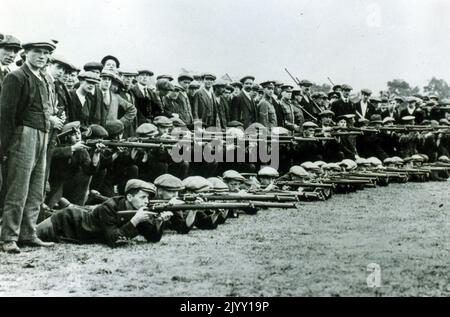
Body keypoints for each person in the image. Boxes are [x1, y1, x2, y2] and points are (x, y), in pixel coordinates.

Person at [0, 39, 57, 253]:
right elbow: (6, 116)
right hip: (24, 135)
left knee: (36, 188)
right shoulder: (16, 77)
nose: (42, 57)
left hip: (42, 133)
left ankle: (28, 233)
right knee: (18, 188)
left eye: (45, 53)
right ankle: (8, 237)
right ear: (26, 53)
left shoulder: (44, 78)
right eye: (37, 52)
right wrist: (4, 147)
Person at [37, 179, 172, 247]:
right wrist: (135, 221)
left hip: (81, 233)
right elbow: (113, 240)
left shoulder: (136, 211)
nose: (146, 201)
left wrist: (159, 222)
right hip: (66, 221)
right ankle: (45, 211)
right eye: (143, 197)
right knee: (27, 235)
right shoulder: (109, 207)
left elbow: (153, 238)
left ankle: (47, 211)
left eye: (148, 198)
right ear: (129, 197)